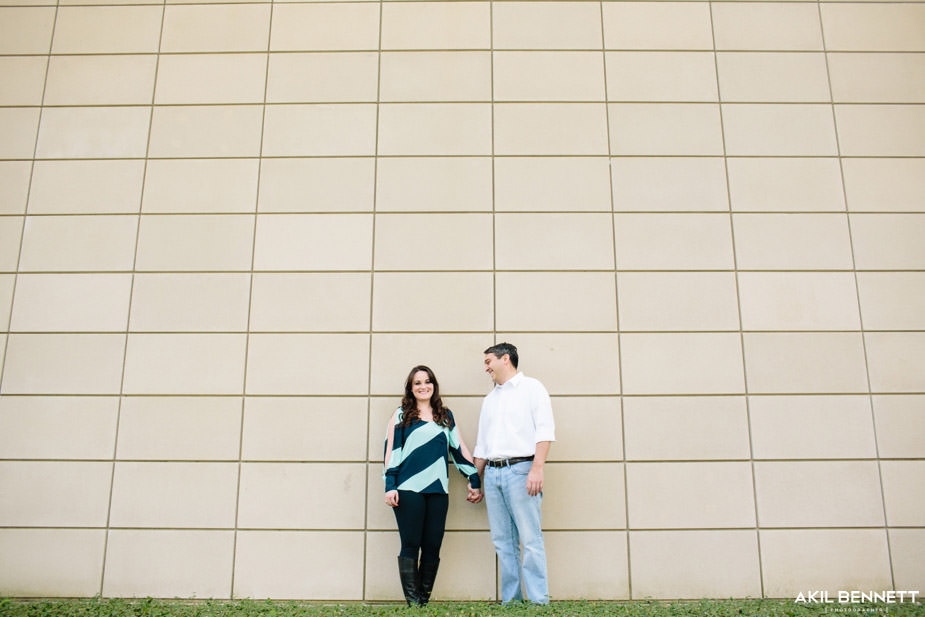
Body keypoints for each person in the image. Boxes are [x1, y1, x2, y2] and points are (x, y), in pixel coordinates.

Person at [383, 365, 483, 606]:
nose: (423, 386)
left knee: (432, 547)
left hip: (438, 490)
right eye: (417, 383)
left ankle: (423, 602)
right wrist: (390, 485)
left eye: (427, 381)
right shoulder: (401, 414)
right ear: (410, 388)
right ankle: (413, 604)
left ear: (434, 385)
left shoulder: (445, 416)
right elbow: (391, 451)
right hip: (408, 490)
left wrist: (474, 479)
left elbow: (458, 449)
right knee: (411, 544)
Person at [473, 342, 555, 605]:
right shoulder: (490, 399)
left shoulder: (532, 388)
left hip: (521, 471)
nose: (486, 368)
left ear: (504, 359)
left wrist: (537, 468)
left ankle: (539, 600)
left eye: (488, 362)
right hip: (493, 475)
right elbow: (482, 445)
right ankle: (511, 601)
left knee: (530, 539)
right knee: (502, 542)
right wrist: (476, 480)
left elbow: (544, 431)